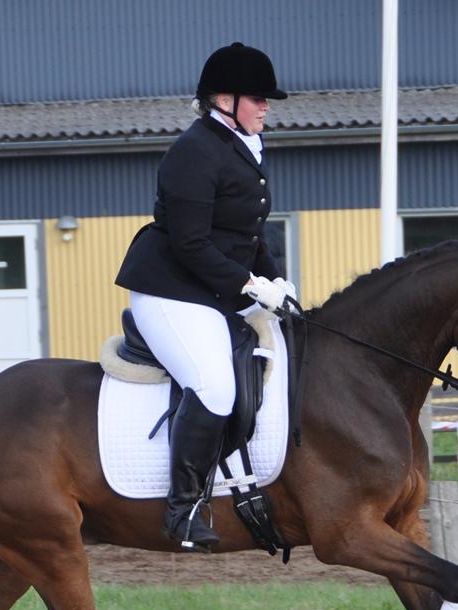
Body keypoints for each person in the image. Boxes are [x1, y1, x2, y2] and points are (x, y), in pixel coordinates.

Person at [114, 42, 291, 552]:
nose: (266, 107)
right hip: (171, 292)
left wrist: (276, 283)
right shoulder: (194, 151)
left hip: (211, 289)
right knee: (215, 386)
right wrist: (248, 286)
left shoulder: (237, 146)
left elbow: (247, 236)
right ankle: (183, 508)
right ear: (224, 98)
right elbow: (191, 242)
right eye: (257, 98)